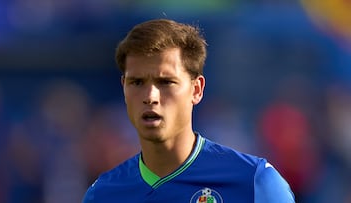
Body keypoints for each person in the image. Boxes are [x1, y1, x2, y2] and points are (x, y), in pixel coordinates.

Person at [82, 18, 295, 203]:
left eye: (166, 82)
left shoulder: (254, 183)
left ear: (197, 90)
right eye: (137, 83)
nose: (150, 97)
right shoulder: (103, 194)